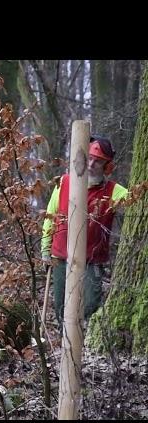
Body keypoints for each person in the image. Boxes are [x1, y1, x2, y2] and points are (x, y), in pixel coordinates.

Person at [41, 135, 128, 326]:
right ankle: (66, 348)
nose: (91, 164)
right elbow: (50, 215)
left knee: (90, 306)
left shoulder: (115, 191)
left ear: (107, 167)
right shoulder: (64, 182)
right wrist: (46, 249)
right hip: (60, 257)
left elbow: (136, 201)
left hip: (92, 260)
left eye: (98, 161)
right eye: (89, 158)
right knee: (61, 308)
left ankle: (85, 344)